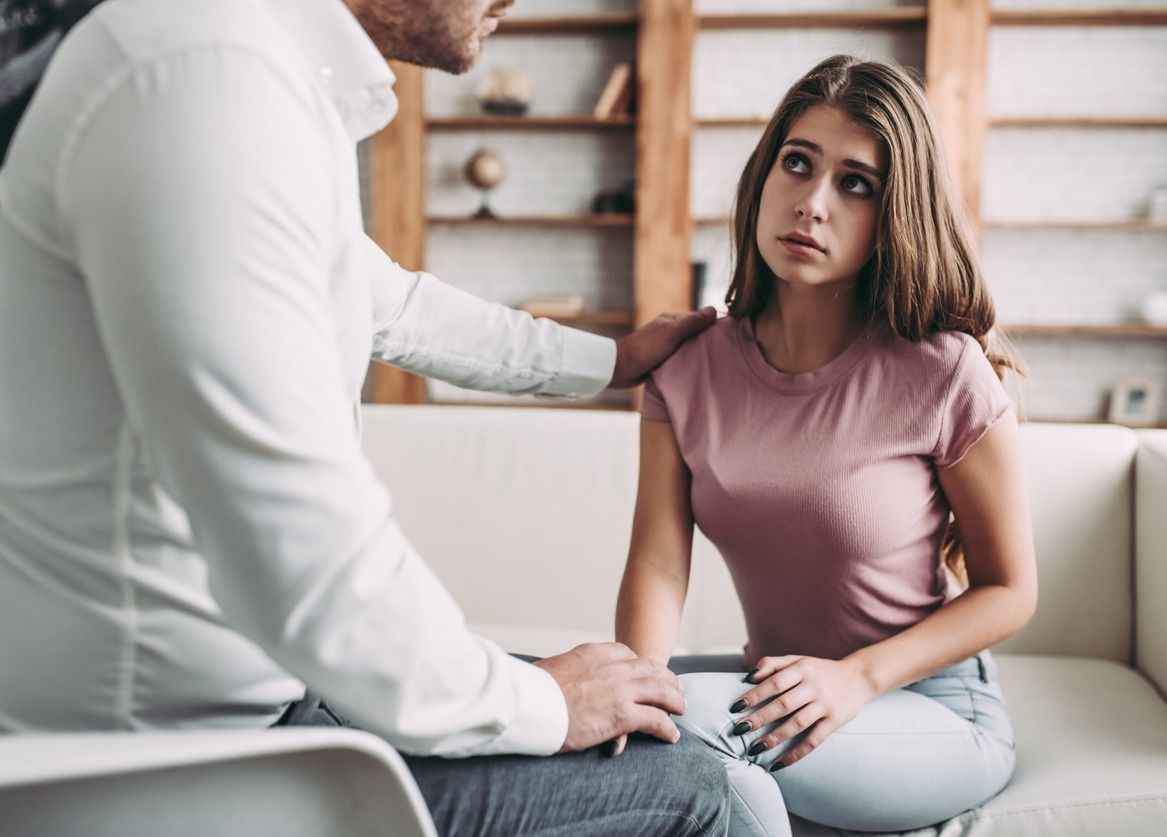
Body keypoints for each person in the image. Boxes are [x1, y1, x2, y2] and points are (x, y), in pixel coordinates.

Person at [0, 0, 730, 834]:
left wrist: (613, 361)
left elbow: (394, 305)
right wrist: (545, 701)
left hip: (264, 699)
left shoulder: (249, 71)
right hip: (169, 764)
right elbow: (311, 560)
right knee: (693, 789)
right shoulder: (206, 82)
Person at [615, 55, 1038, 835]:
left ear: (894, 214)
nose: (811, 204)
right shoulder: (688, 369)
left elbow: (1010, 589)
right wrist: (627, 690)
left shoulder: (942, 369)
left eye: (856, 184)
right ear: (763, 175)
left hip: (926, 709)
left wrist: (857, 678)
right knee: (558, 697)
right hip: (779, 691)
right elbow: (658, 561)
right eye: (798, 164)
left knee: (699, 723)